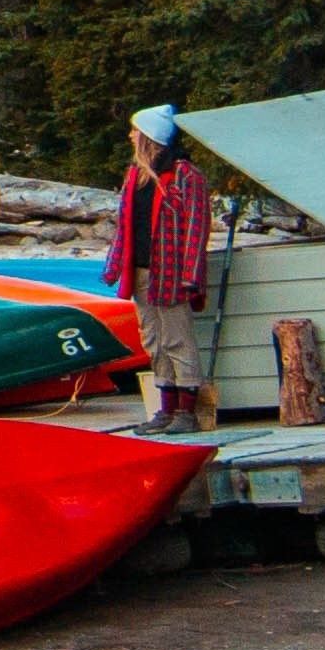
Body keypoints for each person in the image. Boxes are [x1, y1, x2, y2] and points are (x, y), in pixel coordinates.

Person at [110, 105, 221, 432]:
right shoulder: (136, 175)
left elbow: (196, 229)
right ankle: (166, 409)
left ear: (149, 137)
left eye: (135, 130)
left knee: (178, 339)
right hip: (141, 270)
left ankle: (187, 410)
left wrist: (191, 274)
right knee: (154, 339)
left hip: (171, 272)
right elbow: (124, 226)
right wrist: (117, 265)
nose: (130, 135)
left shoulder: (186, 175)